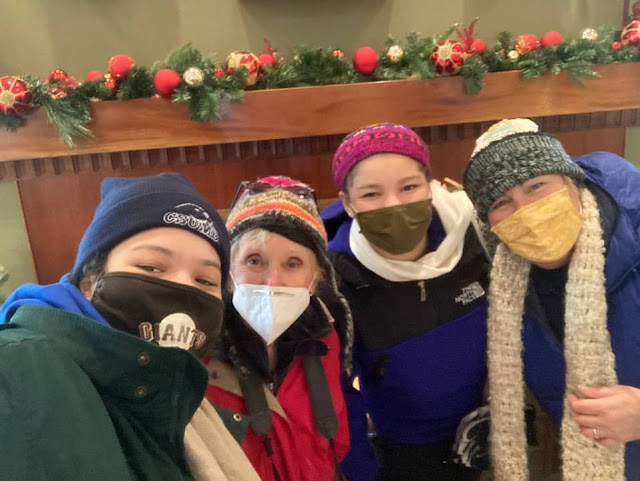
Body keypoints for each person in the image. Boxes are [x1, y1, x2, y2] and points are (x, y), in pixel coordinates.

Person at [0, 173, 260, 481]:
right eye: (151, 267)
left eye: (205, 280)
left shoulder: (174, 395)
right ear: (89, 282)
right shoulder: (18, 367)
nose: (183, 287)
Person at [462, 118, 640, 481]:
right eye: (502, 202)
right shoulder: (508, 290)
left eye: (536, 186)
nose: (526, 211)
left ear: (572, 183)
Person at [321, 123, 490, 480]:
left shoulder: (476, 235)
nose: (394, 204)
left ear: (430, 185)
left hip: (488, 426)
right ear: (348, 204)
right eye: (372, 194)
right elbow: (338, 393)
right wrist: (361, 470)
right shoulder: (337, 280)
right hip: (405, 446)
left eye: (409, 187)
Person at [205, 176, 352, 481]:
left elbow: (332, 443)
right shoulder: (201, 353)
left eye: (293, 264)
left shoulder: (324, 337)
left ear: (316, 279)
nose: (272, 282)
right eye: (254, 261)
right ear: (227, 271)